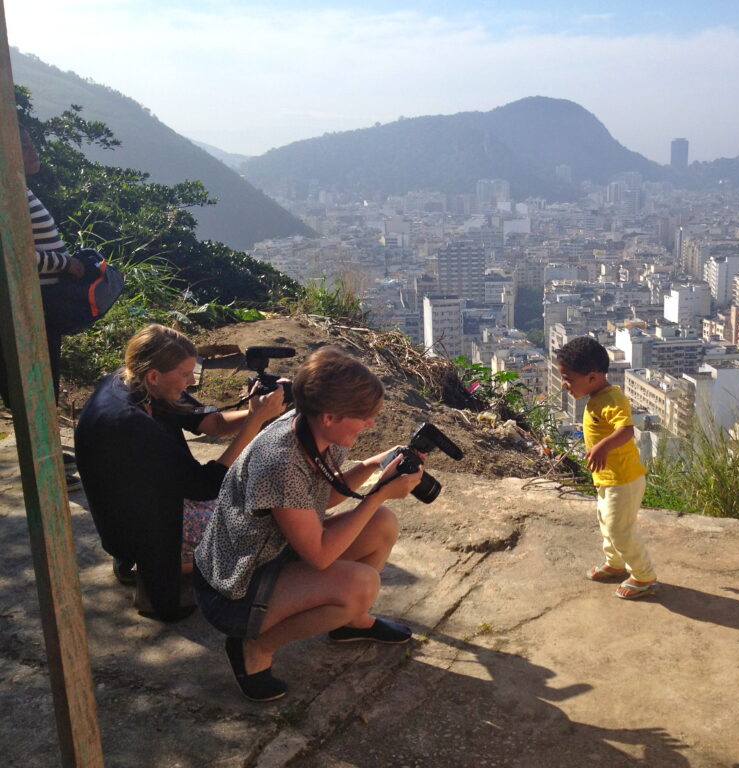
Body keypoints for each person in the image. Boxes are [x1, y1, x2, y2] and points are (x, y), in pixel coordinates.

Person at [193, 346, 423, 702]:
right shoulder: (280, 462)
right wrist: (378, 493)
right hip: (235, 586)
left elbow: (321, 499)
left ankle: (348, 621)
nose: (371, 424)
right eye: (363, 416)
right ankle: (253, 649)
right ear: (329, 416)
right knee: (359, 584)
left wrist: (374, 464)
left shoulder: (313, 427)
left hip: (274, 551)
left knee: (380, 524)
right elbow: (319, 556)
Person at [74, 324, 285, 621]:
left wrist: (259, 412)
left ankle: (161, 562)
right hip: (143, 529)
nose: (190, 382)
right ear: (154, 375)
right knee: (261, 518)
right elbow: (204, 485)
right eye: (185, 375)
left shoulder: (131, 382)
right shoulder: (130, 423)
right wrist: (255, 423)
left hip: (136, 511)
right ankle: (174, 567)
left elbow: (213, 424)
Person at [0, 125, 87, 488]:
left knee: (36, 382)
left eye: (31, 141)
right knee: (34, 383)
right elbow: (12, 252)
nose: (32, 149)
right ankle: (45, 468)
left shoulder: (16, 185)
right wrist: (65, 265)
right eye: (22, 143)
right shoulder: (5, 189)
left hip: (33, 306)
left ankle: (46, 454)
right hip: (23, 311)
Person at [554, 336, 658, 600]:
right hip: (608, 479)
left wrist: (602, 447)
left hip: (623, 479)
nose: (565, 385)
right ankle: (615, 563)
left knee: (620, 529)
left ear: (592, 377)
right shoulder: (596, 396)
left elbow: (626, 430)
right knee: (606, 523)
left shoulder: (612, 398)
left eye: (568, 378)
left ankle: (644, 575)